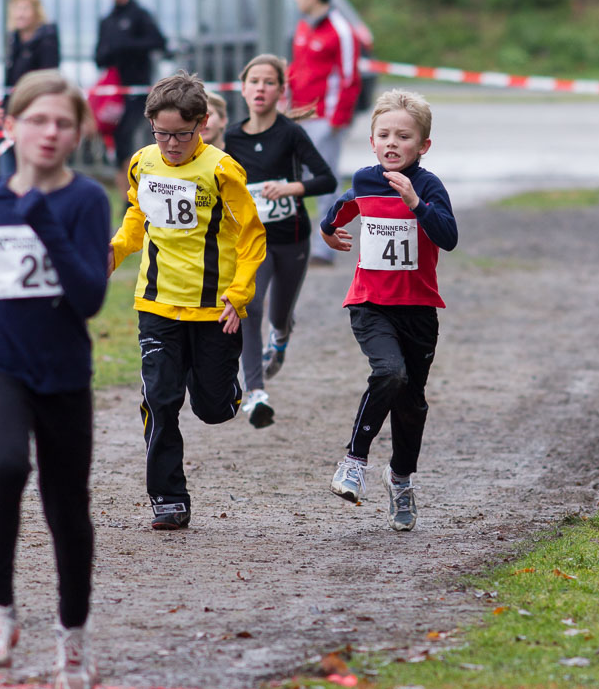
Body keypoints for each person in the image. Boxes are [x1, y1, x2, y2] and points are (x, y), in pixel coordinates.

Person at [0, 70, 110, 689]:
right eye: (37, 120)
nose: (49, 132)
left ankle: (72, 641)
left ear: (79, 132)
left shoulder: (85, 200)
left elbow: (89, 298)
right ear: (11, 126)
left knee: (67, 510)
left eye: (63, 122)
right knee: (1, 466)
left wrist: (41, 217)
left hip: (63, 373)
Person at [109, 70, 266, 530]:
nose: (171, 144)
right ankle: (168, 497)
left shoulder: (221, 169)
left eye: (181, 134)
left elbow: (252, 235)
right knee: (159, 398)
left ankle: (225, 390)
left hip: (214, 307)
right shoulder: (142, 162)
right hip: (156, 302)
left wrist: (240, 293)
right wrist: (113, 252)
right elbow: (137, 215)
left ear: (202, 124)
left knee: (212, 408)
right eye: (162, 133)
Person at [320, 89, 457, 532]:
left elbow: (449, 237)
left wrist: (417, 203)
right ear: (372, 142)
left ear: (423, 145)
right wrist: (328, 230)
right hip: (370, 303)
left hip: (418, 310)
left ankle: (400, 479)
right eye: (384, 135)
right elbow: (341, 206)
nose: (392, 143)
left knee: (411, 402)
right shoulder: (366, 180)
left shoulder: (429, 186)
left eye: (403, 136)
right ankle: (354, 461)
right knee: (389, 373)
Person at [224, 54, 337, 427]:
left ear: (280, 91)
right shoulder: (232, 138)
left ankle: (282, 335)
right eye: (254, 81)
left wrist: (290, 187)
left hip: (292, 239)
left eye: (269, 82)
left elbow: (327, 179)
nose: (260, 88)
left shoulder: (291, 133)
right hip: (254, 243)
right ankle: (255, 393)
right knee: (251, 306)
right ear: (243, 89)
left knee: (278, 314)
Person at [288, 0, 361, 266]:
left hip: (324, 119)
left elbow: (349, 77)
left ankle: (324, 248)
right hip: (300, 116)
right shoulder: (303, 26)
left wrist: (337, 120)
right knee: (295, 179)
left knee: (324, 180)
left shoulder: (341, 30)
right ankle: (294, 242)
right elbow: (298, 70)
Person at [95, 0, 167, 202]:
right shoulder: (107, 20)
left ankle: (137, 196)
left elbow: (159, 42)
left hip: (138, 91)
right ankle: (126, 199)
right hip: (116, 93)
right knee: (119, 142)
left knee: (134, 138)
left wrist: (126, 45)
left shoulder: (139, 14)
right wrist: (111, 51)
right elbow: (99, 57)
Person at [0, 0, 61, 176]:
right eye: (17, 9)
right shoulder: (14, 40)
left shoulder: (47, 39)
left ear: (36, 12)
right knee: (8, 166)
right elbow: (10, 80)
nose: (20, 14)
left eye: (25, 9)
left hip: (35, 111)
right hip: (13, 110)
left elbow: (48, 79)